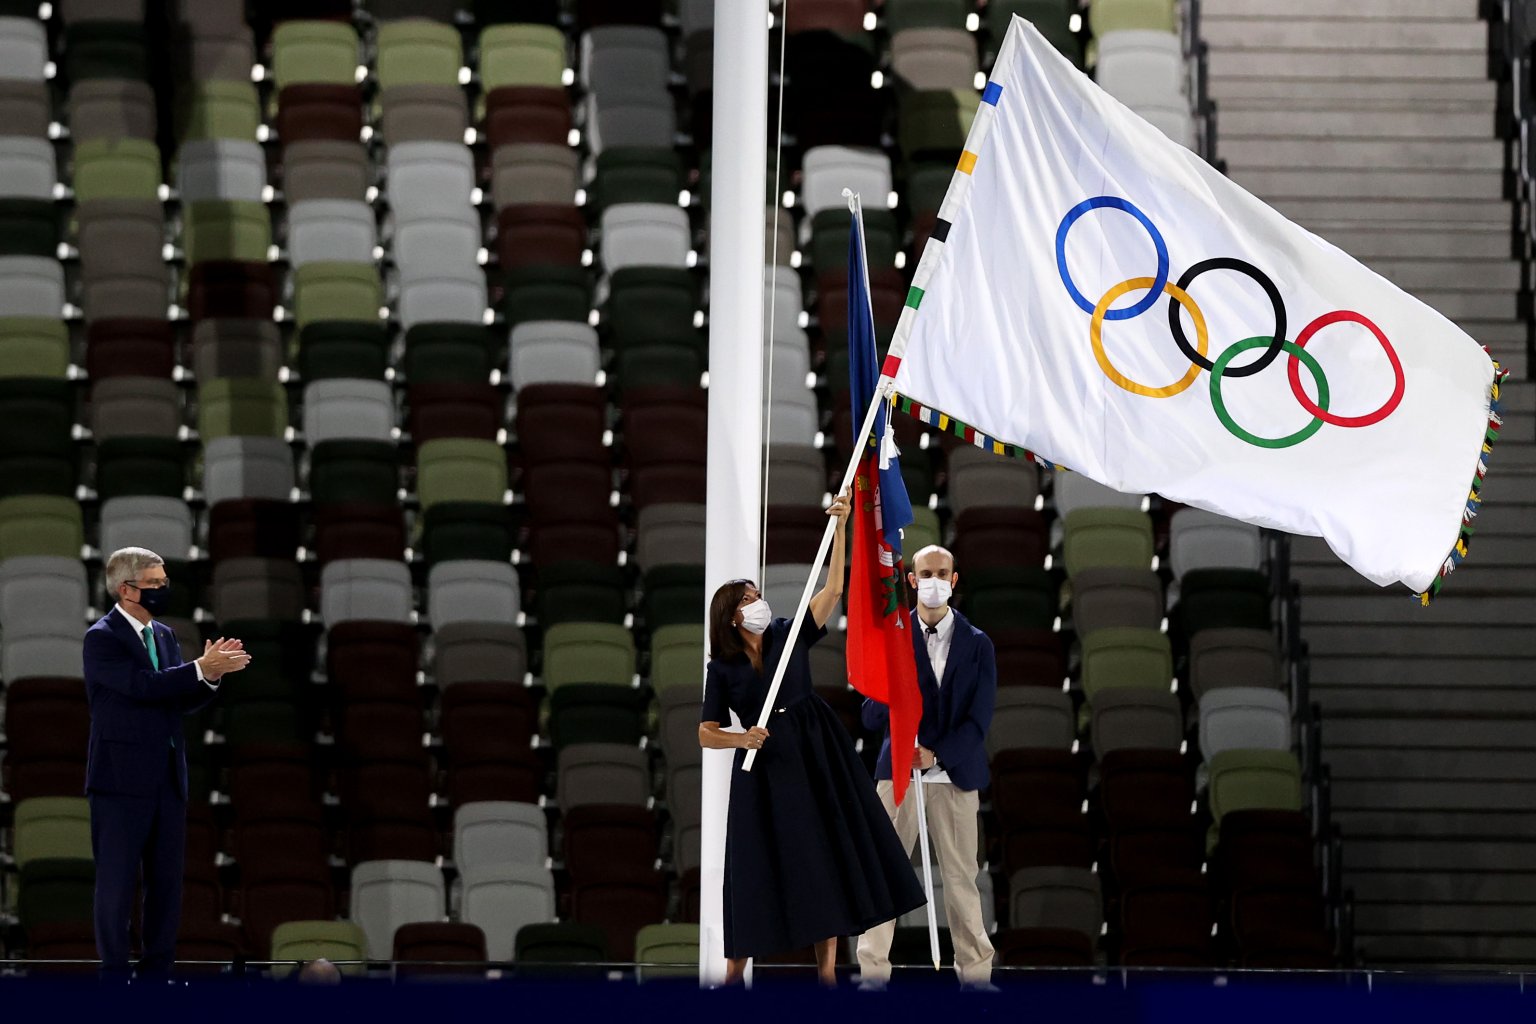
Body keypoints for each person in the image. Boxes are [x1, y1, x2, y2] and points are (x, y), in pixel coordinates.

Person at [698, 492, 925, 988]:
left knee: (825, 853)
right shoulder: (724, 669)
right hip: (762, 768)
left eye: (757, 595)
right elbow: (705, 732)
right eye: (747, 600)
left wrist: (840, 529)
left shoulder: (787, 633)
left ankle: (827, 974)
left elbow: (833, 590)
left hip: (814, 750)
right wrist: (741, 738)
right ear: (732, 616)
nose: (757, 603)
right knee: (753, 864)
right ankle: (734, 972)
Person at [84, 547, 252, 977]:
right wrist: (198, 667)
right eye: (154, 583)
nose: (163, 589)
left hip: (167, 778)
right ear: (126, 589)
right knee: (117, 884)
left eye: (164, 582)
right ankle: (114, 976)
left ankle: (157, 973)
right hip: (120, 780)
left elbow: (175, 698)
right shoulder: (102, 638)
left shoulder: (164, 635)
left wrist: (210, 676)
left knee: (166, 885)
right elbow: (141, 686)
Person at [856, 544, 998, 991]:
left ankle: (976, 977)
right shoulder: (893, 638)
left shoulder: (978, 644)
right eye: (925, 573)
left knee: (960, 879)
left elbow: (979, 720)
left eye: (942, 573)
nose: (934, 580)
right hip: (898, 774)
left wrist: (936, 754)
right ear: (911, 580)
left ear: (953, 580)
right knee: (885, 872)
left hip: (954, 776)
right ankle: (872, 976)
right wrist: (896, 685)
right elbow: (870, 716)